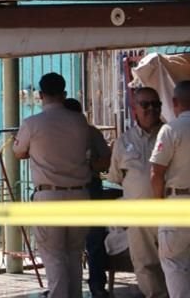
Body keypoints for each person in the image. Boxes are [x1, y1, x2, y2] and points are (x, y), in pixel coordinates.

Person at [13, 73, 92, 298]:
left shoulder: (32, 123)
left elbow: (18, 152)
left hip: (49, 197)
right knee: (75, 254)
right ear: (64, 94)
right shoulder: (79, 121)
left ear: (40, 95)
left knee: (54, 256)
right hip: (80, 195)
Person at [107, 86, 168, 298]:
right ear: (135, 108)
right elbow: (116, 176)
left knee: (175, 263)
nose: (151, 108)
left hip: (169, 210)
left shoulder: (171, 134)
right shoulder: (124, 141)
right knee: (144, 264)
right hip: (138, 214)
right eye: (145, 104)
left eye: (155, 104)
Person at [63, 97, 112, 298]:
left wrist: (88, 165)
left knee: (92, 238)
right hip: (72, 188)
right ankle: (71, 285)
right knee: (77, 241)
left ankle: (96, 284)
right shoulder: (59, 134)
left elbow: (106, 162)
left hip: (87, 185)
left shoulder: (91, 133)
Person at [150, 79, 190, 298]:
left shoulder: (171, 130)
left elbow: (156, 172)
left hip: (177, 205)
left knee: (175, 266)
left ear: (175, 102)